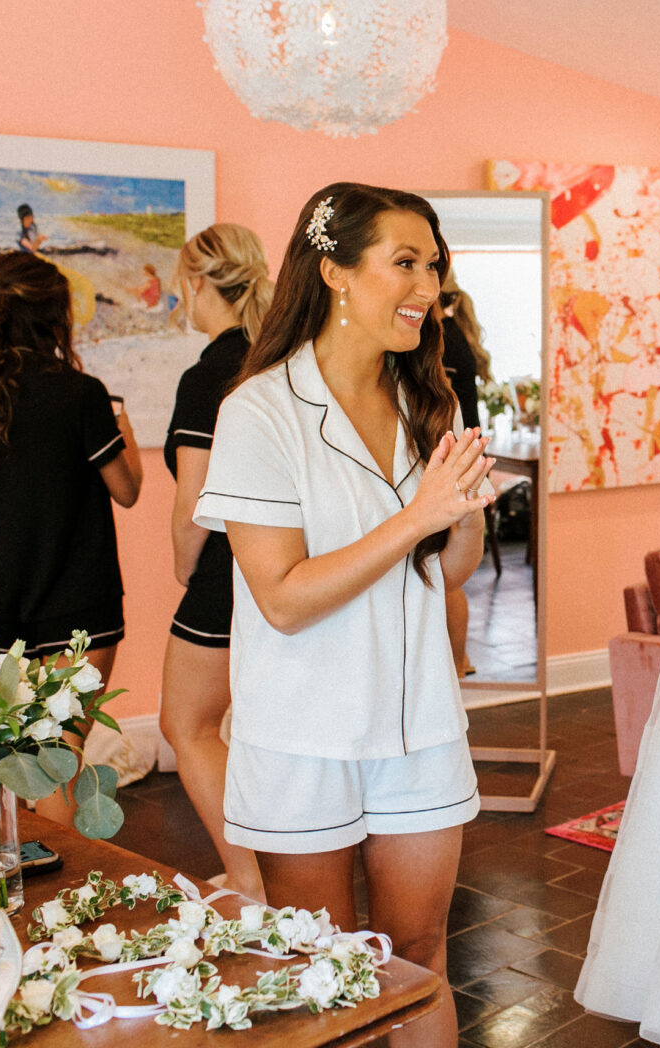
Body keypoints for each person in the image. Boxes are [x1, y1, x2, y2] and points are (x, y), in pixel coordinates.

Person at [194, 182, 495, 1048]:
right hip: (302, 735)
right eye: (404, 263)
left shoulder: (428, 400)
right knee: (327, 968)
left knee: (417, 953)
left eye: (433, 266)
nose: (427, 288)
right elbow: (282, 599)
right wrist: (418, 515)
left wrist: (462, 512)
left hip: (418, 729)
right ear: (333, 272)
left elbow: (450, 570)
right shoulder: (258, 413)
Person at [0, 251, 143, 824]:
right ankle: (63, 891)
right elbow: (126, 490)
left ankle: (32, 873)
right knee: (61, 753)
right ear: (56, 317)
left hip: (6, 599)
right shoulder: (81, 394)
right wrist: (123, 432)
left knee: (25, 756)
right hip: (84, 600)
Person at [158, 223, 274, 902]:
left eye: (183, 289)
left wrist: (182, 567)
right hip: (286, 570)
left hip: (226, 573)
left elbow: (192, 503)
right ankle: (269, 867)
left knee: (187, 725)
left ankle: (249, 875)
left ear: (201, 285)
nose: (184, 302)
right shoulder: (284, 361)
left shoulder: (209, 375)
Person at [438, 277, 493, 676]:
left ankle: (457, 662)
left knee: (447, 580)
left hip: (456, 449)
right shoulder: (453, 332)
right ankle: (459, 661)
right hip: (464, 446)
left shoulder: (440, 337)